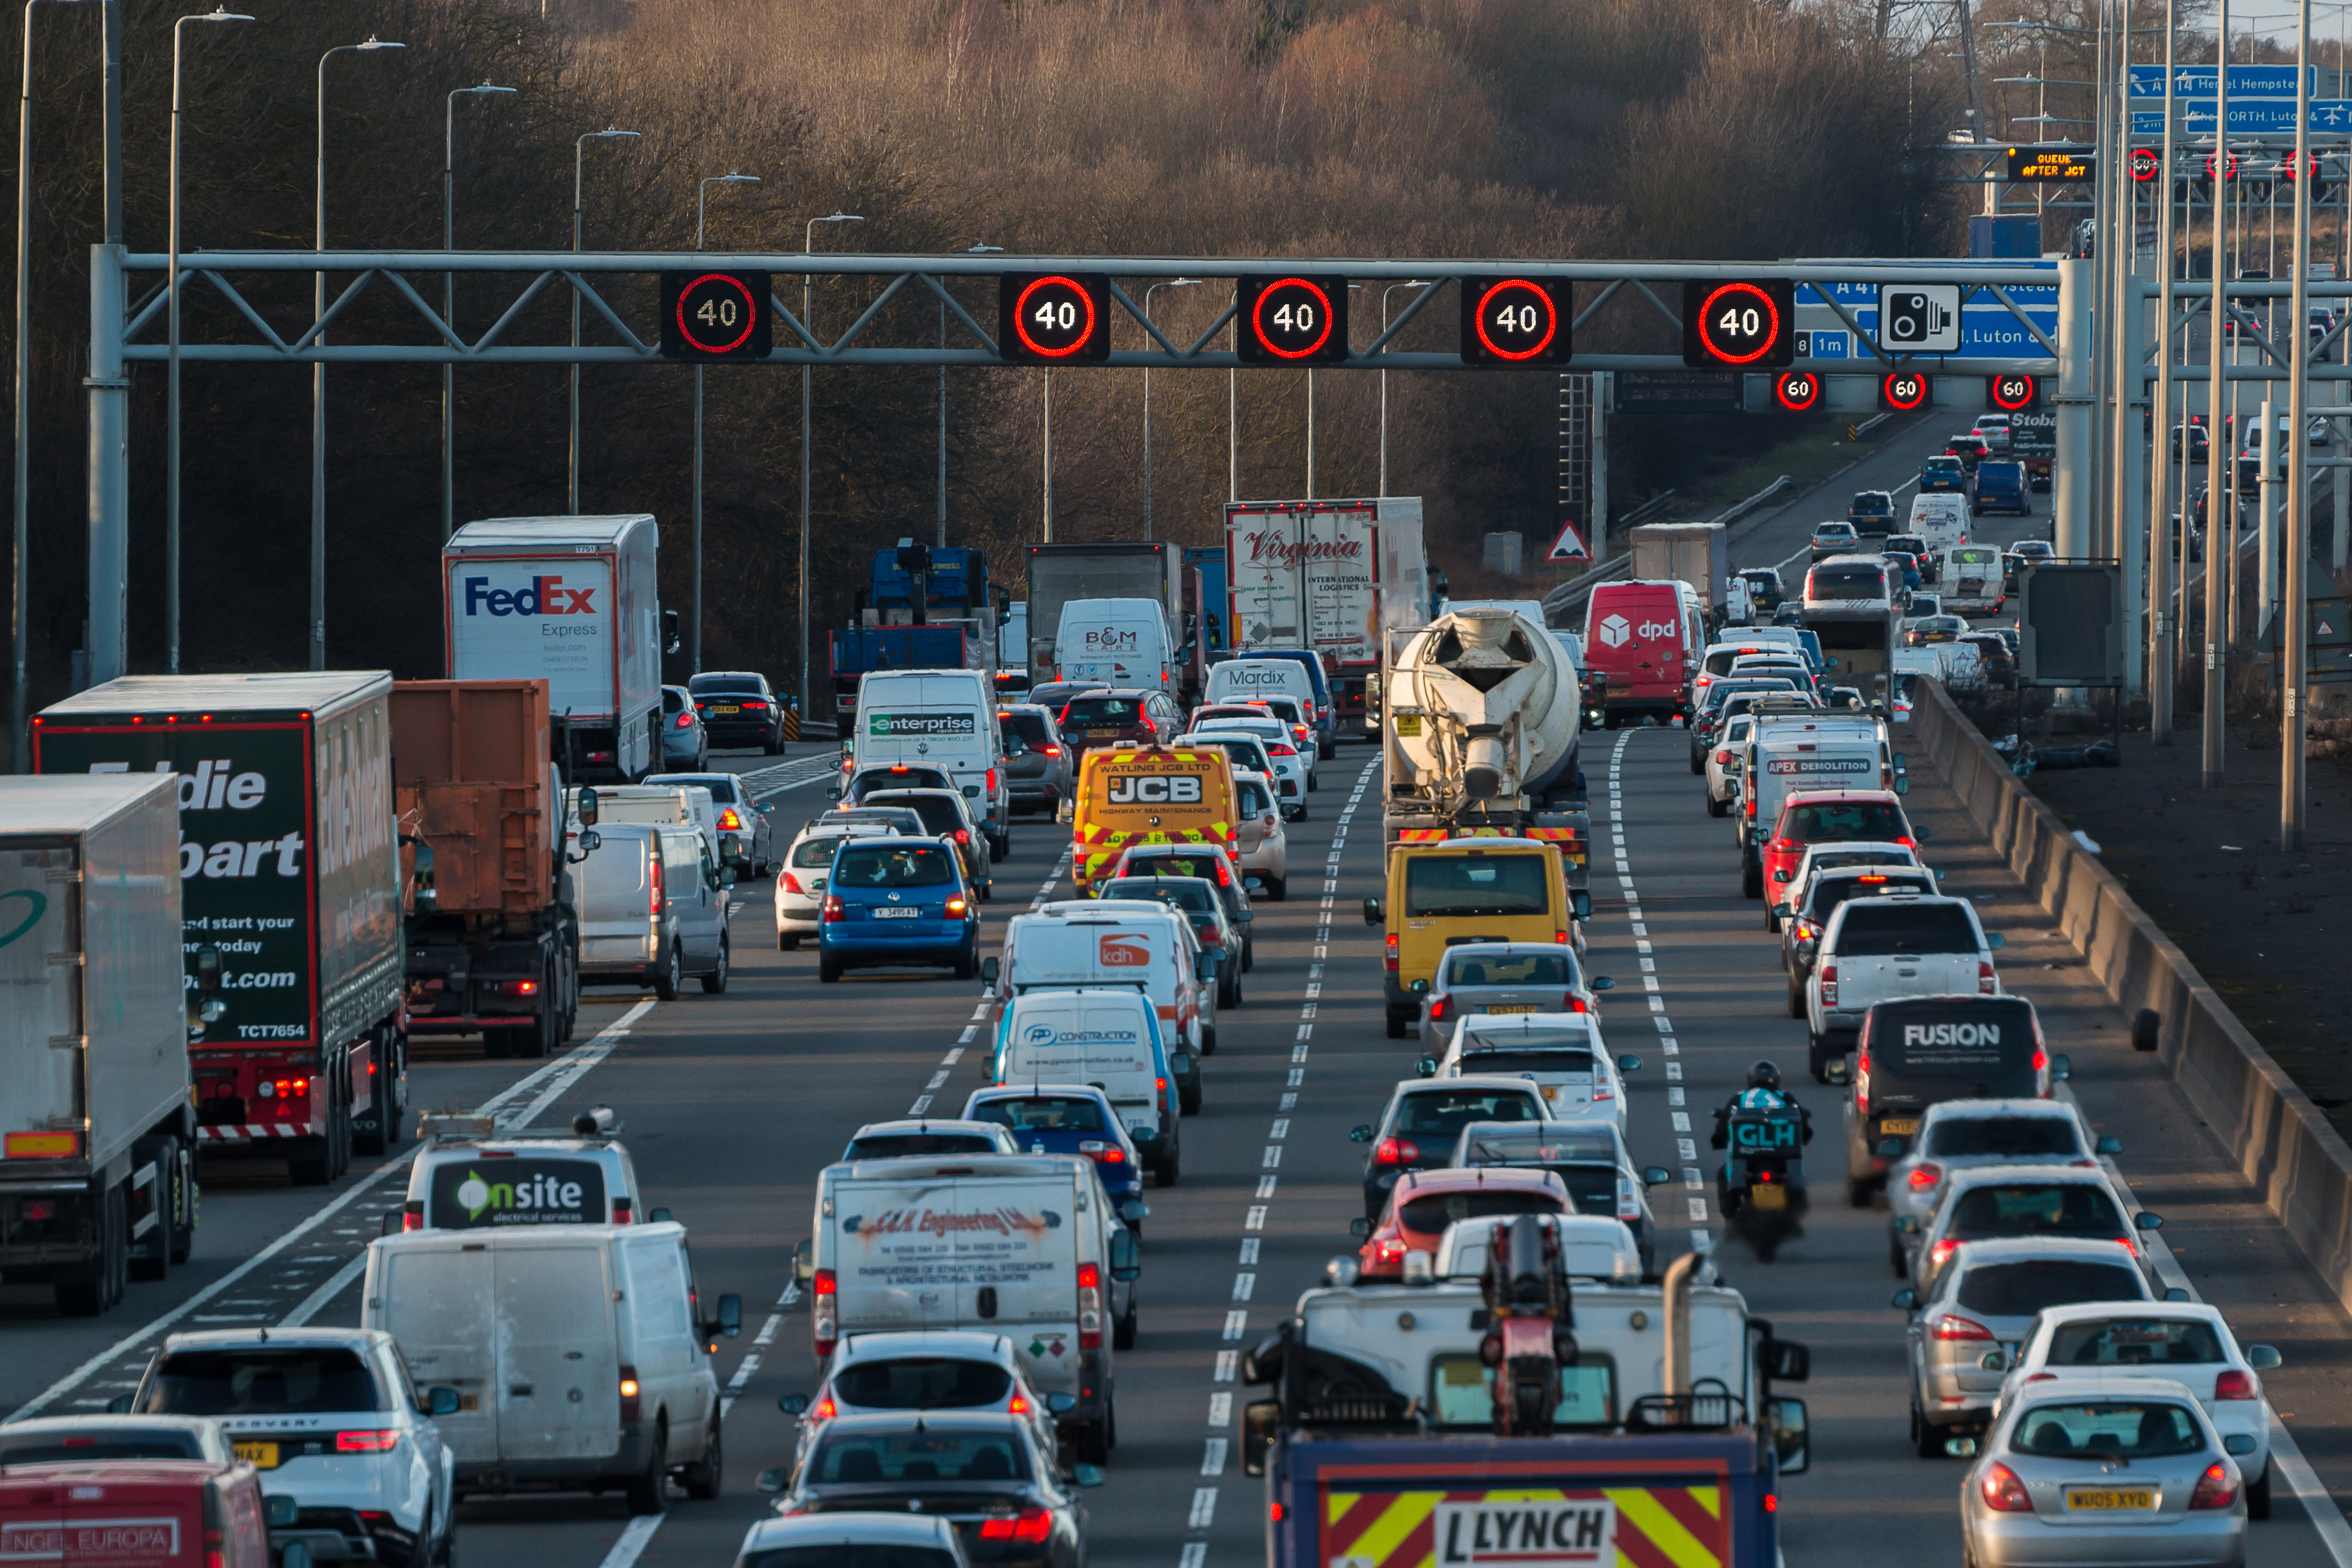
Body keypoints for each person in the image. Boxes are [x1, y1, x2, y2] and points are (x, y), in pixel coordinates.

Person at [1711, 1060, 1812, 1215]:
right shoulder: (1786, 1097)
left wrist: (1718, 1138)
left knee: (1723, 1174)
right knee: (1797, 1182)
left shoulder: (1740, 1098)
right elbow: (1802, 1122)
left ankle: (1730, 1210)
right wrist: (1805, 1136)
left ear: (1751, 1079)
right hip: (1783, 1157)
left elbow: (1724, 1124)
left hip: (1747, 1155)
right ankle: (1793, 1206)